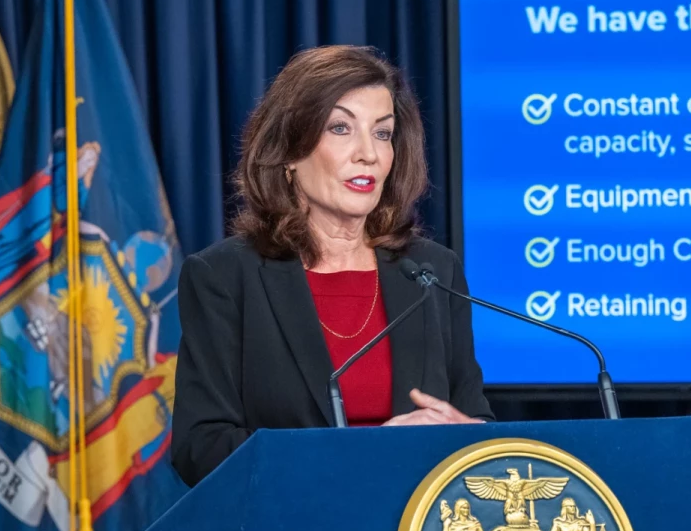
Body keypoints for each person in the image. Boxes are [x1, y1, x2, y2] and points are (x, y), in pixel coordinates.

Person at [171, 45, 491, 487]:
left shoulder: (433, 273)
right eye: (341, 128)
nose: (368, 154)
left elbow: (476, 422)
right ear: (288, 152)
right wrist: (363, 454)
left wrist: (470, 435)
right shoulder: (226, 277)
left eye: (383, 133)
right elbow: (201, 448)